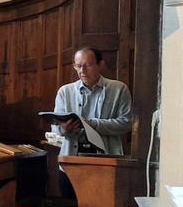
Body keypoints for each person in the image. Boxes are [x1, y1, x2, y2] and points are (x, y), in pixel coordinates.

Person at [52, 47, 132, 198]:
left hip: (106, 163)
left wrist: (93, 124)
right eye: (78, 65)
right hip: (71, 161)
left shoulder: (118, 89)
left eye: (87, 65)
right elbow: (56, 128)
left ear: (100, 65)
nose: (82, 70)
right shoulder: (65, 91)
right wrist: (63, 128)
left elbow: (126, 123)